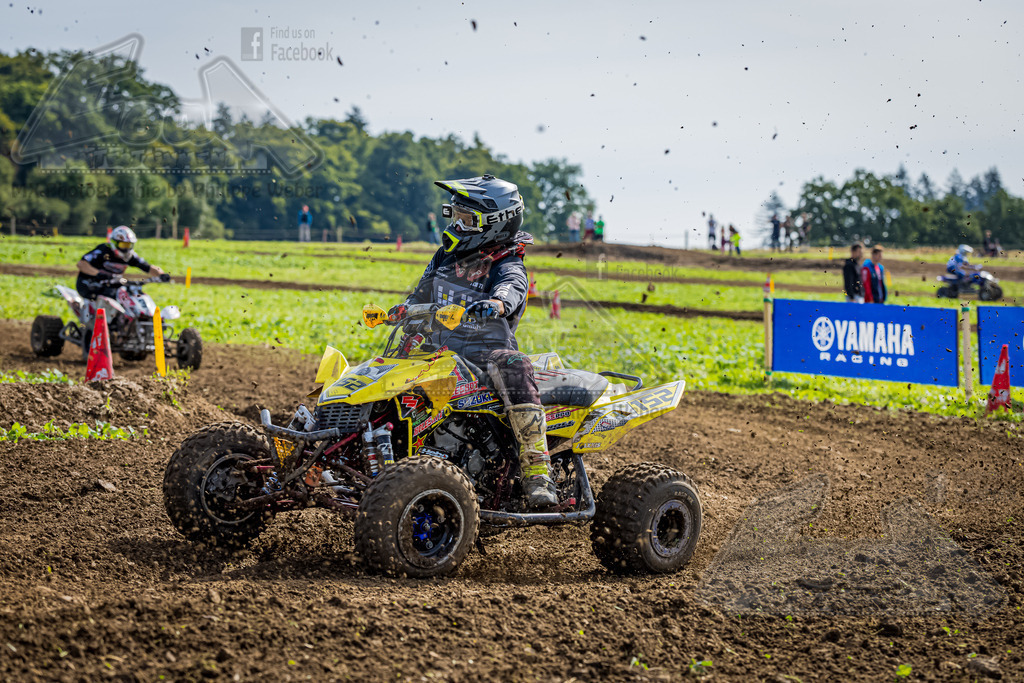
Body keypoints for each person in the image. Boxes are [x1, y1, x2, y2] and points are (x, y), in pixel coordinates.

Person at [392, 174, 557, 508]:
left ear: (495, 223)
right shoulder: (444, 257)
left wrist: (497, 303)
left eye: (466, 220)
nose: (457, 225)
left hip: (486, 353)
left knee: (513, 364)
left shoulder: (508, 263)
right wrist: (406, 310)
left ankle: (537, 469)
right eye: (455, 216)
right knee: (396, 361)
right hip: (441, 350)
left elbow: (511, 287)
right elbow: (420, 293)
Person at [76, 226, 165, 303]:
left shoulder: (130, 256)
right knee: (110, 295)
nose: (126, 248)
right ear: (115, 243)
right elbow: (81, 264)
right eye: (123, 245)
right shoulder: (103, 250)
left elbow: (148, 267)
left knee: (131, 295)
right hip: (90, 285)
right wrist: (99, 274)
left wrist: (162, 275)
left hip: (114, 285)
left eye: (128, 245)